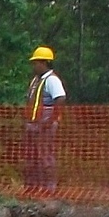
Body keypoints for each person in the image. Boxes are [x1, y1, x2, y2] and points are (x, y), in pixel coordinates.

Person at [22, 46, 66, 198]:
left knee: (45, 156)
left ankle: (49, 189)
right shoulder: (36, 80)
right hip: (33, 124)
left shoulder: (52, 80)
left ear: (45, 63)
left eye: (36, 62)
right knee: (32, 156)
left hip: (45, 124)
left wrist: (51, 120)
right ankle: (33, 188)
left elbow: (60, 98)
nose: (34, 66)